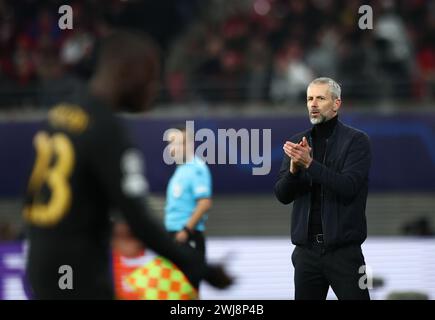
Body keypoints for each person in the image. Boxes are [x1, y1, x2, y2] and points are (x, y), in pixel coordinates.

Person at [22, 29, 232, 300]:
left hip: (40, 264)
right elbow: (139, 218)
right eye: (151, 77)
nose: (154, 88)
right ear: (128, 72)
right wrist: (200, 268)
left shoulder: (58, 116)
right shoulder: (109, 130)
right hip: (79, 273)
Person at [274, 77, 371, 300]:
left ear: (336, 104)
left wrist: (309, 164)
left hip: (345, 253)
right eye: (309, 99)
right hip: (306, 254)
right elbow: (282, 195)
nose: (313, 104)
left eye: (320, 98)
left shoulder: (356, 141)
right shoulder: (298, 142)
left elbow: (348, 187)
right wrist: (294, 171)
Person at [165, 126, 213, 289]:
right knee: (176, 290)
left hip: (187, 236)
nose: (174, 147)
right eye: (172, 143)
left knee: (189, 290)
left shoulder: (196, 168)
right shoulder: (181, 169)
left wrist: (186, 231)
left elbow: (204, 203)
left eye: (180, 143)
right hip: (176, 235)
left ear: (190, 145)